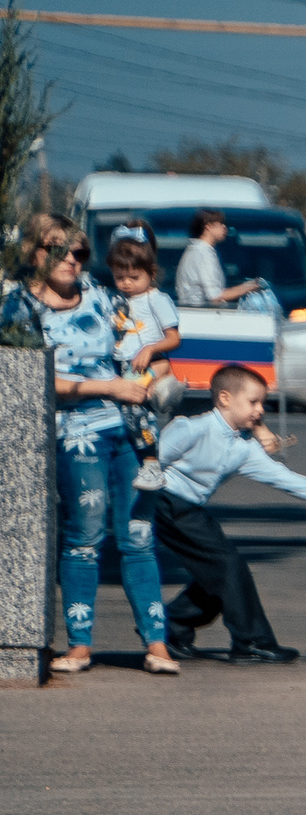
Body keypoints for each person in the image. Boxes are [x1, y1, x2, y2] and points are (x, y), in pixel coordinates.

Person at [0, 219, 174, 677]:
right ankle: (80, 645)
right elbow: (33, 380)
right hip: (76, 432)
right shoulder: (20, 307)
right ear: (35, 252)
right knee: (85, 536)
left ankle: (158, 644)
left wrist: (154, 372)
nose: (72, 260)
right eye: (59, 250)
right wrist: (109, 387)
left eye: (79, 252)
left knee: (138, 536)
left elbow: (141, 342)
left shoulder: (101, 294)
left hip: (129, 429)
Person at [156, 365, 306, 664]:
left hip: (188, 510)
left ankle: (169, 628)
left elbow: (282, 477)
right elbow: (151, 460)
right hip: (165, 503)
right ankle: (252, 642)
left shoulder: (243, 448)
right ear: (225, 399)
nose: (259, 410)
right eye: (253, 402)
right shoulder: (191, 428)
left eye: (262, 403)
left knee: (220, 574)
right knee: (229, 567)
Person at [106, 237, 183, 494]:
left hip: (145, 363)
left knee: (135, 410)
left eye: (134, 277)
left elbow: (174, 338)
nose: (126, 283)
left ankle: (152, 463)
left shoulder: (157, 299)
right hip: (122, 363)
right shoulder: (117, 300)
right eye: (119, 277)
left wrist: (149, 349)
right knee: (126, 413)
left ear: (151, 274)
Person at [172, 210, 262, 307]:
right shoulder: (203, 254)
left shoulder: (195, 251)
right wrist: (249, 287)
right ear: (208, 226)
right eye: (220, 224)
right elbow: (215, 296)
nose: (225, 228)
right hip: (202, 315)